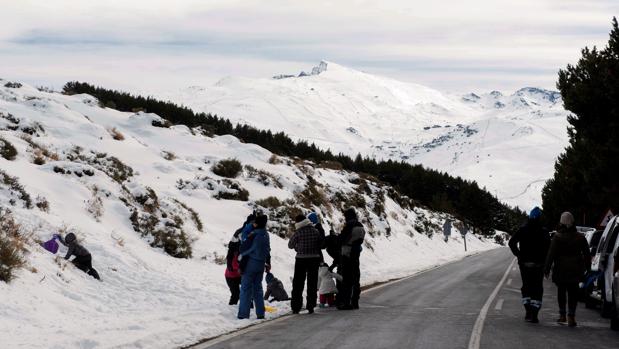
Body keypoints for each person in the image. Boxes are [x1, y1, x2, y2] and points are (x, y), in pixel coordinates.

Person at [544, 211, 590, 327]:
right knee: (573, 292)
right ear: (573, 222)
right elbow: (587, 254)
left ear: (561, 222)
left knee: (561, 292)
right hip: (575, 269)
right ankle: (571, 316)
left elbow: (551, 254)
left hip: (560, 269)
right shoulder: (580, 237)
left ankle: (562, 315)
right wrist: (588, 269)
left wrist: (547, 269)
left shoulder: (557, 237)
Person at [508, 206, 550, 323]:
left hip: (525, 265)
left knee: (526, 287)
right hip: (539, 265)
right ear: (540, 218)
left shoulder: (523, 229)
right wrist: (546, 262)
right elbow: (549, 248)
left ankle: (528, 311)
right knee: (537, 288)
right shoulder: (544, 231)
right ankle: (534, 313)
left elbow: (511, 243)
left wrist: (519, 255)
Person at [288, 214, 324, 314]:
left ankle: (296, 307)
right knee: (312, 283)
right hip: (314, 259)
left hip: (301, 260)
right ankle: (311, 306)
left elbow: (290, 245)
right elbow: (320, 244)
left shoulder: (298, 232)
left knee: (298, 283)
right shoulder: (315, 231)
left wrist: (298, 247)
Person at [237, 215, 271, 319]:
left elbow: (244, 246)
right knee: (258, 289)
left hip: (250, 264)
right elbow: (268, 250)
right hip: (260, 264)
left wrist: (248, 229)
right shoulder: (266, 235)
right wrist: (268, 262)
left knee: (246, 289)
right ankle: (260, 313)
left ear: (257, 224)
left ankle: (243, 315)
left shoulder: (254, 235)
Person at [337, 208, 366, 310]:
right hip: (356, 254)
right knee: (356, 278)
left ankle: (346, 302)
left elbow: (341, 240)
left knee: (347, 280)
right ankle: (355, 301)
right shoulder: (360, 226)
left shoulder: (349, 226)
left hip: (347, 255)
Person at [225, 231, 242, 305]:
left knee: (247, 291)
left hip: (238, 276)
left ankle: (249, 307)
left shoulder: (240, 254)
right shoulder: (233, 254)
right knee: (236, 294)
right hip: (230, 277)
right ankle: (231, 308)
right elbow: (234, 265)